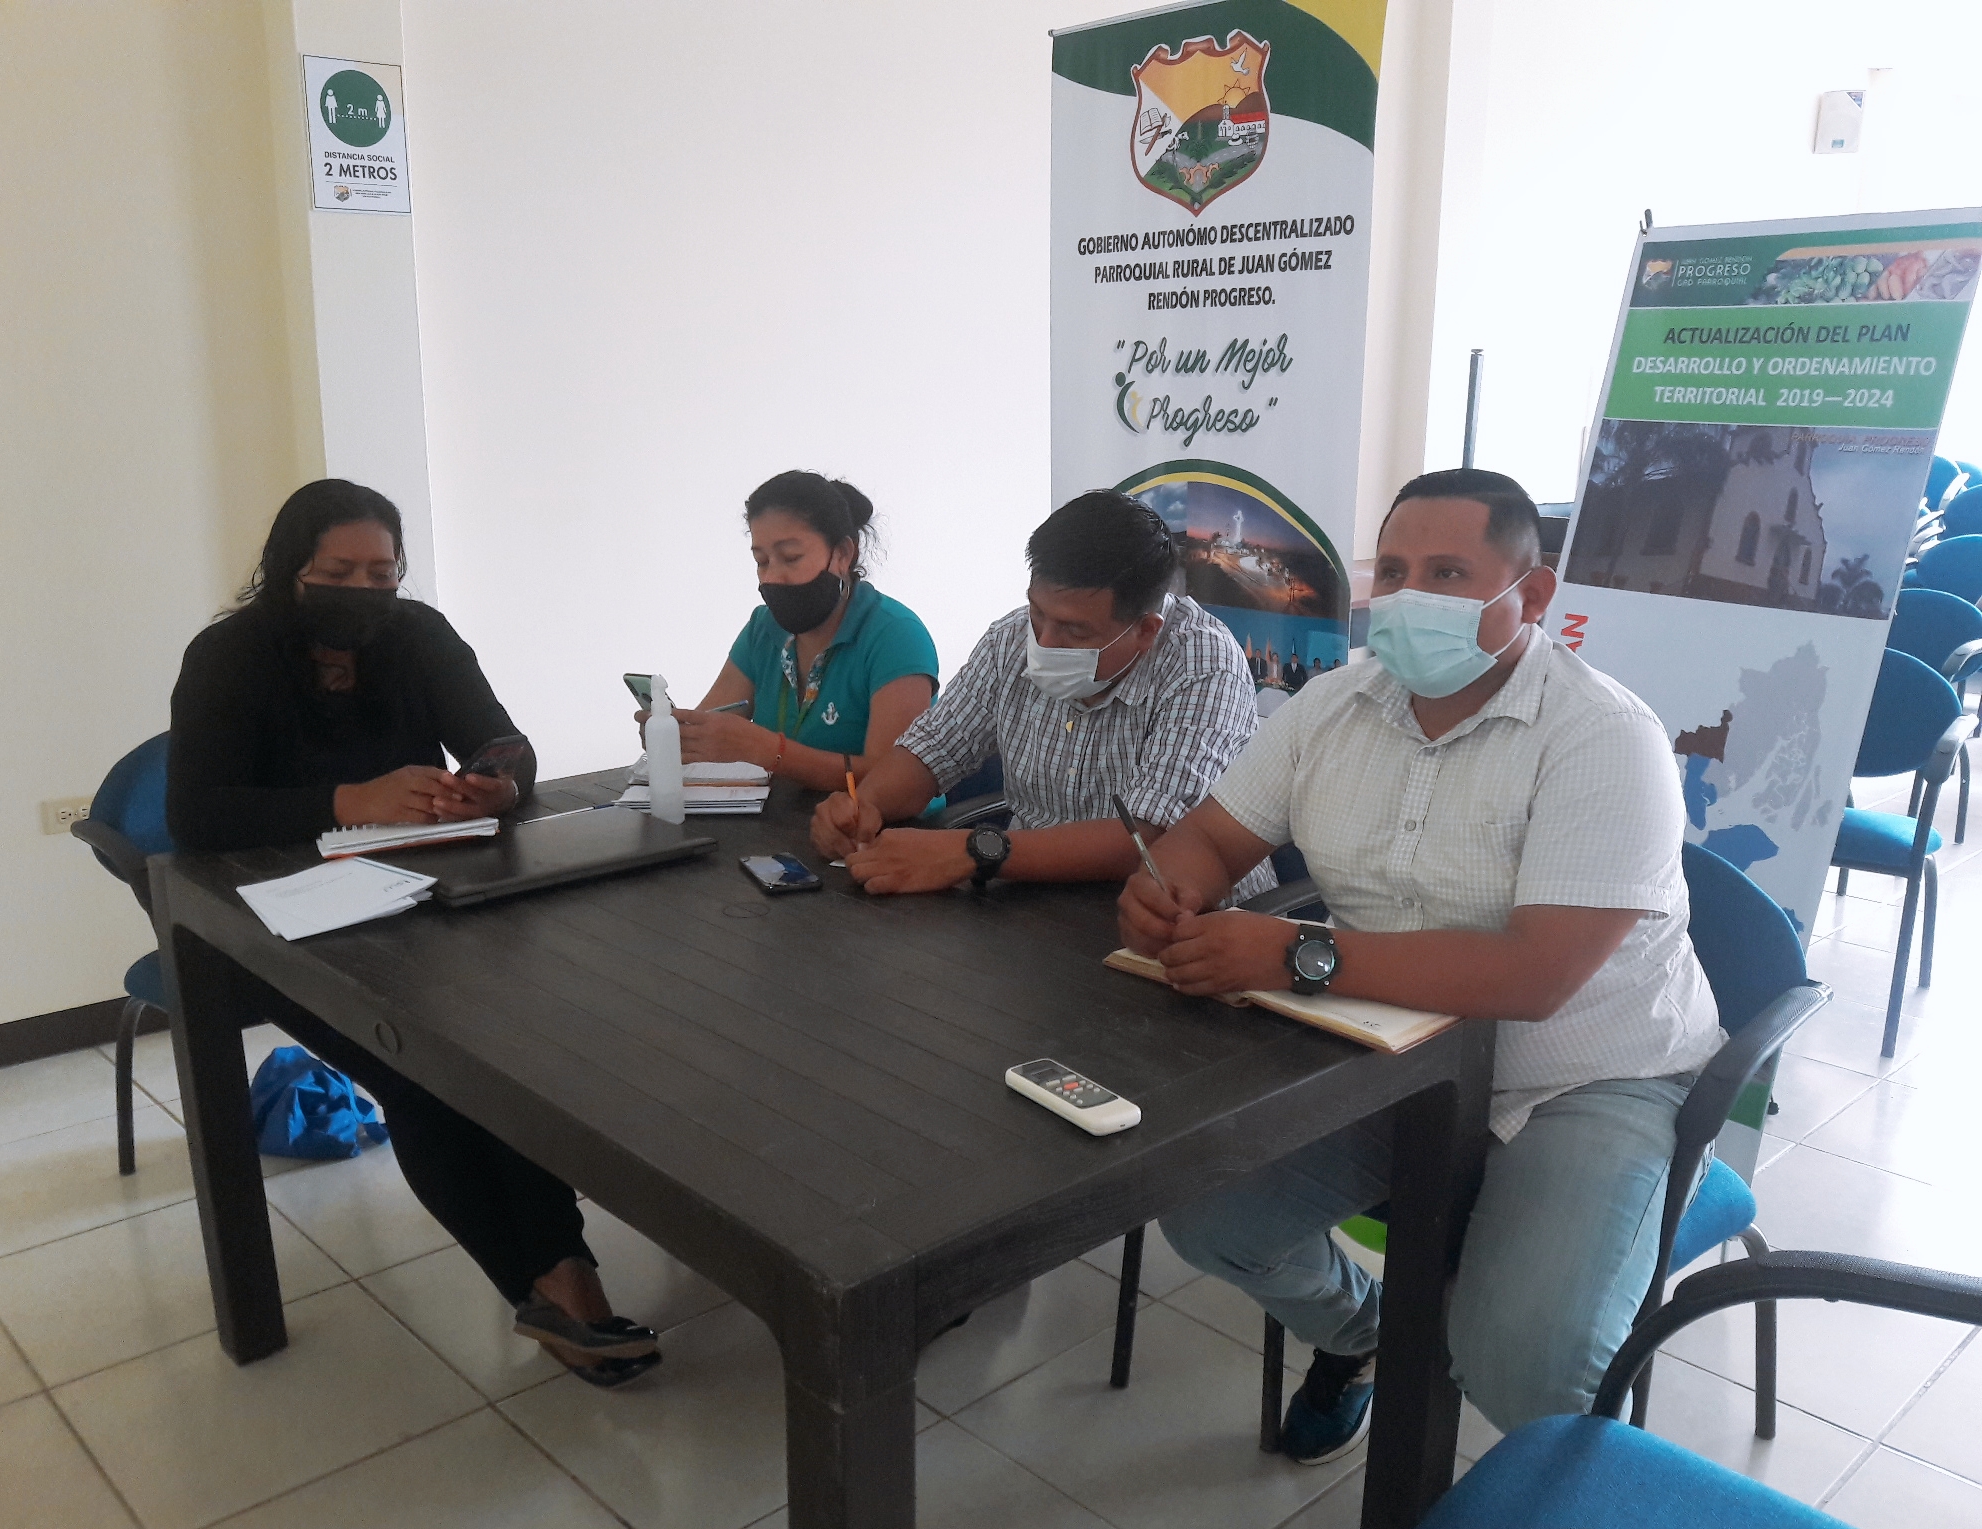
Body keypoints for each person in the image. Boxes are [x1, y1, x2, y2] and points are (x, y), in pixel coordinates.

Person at [1117, 467, 1721, 1462]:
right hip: (1392, 1051)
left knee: (1527, 1360)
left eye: (1446, 573)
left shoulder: (1604, 737)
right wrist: (1167, 886)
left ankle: (1563, 1477)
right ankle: (1369, 1334)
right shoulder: (1329, 706)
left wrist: (1295, 953)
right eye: (1392, 570)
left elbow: (1534, 978)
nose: (1406, 597)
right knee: (1209, 1215)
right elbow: (1213, 838)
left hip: (1585, 1076)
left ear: (1531, 594)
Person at [168, 479, 661, 1388]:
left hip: (426, 896)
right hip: (286, 918)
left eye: (381, 573)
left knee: (505, 1051)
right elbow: (196, 814)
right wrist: (347, 800)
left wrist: (496, 782)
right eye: (338, 572)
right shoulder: (227, 657)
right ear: (289, 569)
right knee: (421, 1075)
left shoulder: (419, 636)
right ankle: (558, 1284)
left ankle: (561, 1281)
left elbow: (504, 743)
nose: (364, 591)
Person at [810, 489, 1270, 896]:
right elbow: (934, 749)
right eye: (1037, 612)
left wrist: (974, 851)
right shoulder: (1011, 639)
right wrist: (863, 807)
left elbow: (1146, 840)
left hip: (1183, 918)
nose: (1044, 642)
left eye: (1075, 630)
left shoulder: (1203, 665)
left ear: (1146, 631)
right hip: (1030, 897)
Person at [657, 471, 938, 792]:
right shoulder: (763, 628)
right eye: (762, 561)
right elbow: (710, 724)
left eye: (791, 558)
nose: (771, 577)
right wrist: (675, 736)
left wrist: (769, 751)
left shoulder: (896, 636)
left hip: (880, 823)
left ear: (842, 554)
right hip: (778, 816)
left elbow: (895, 781)